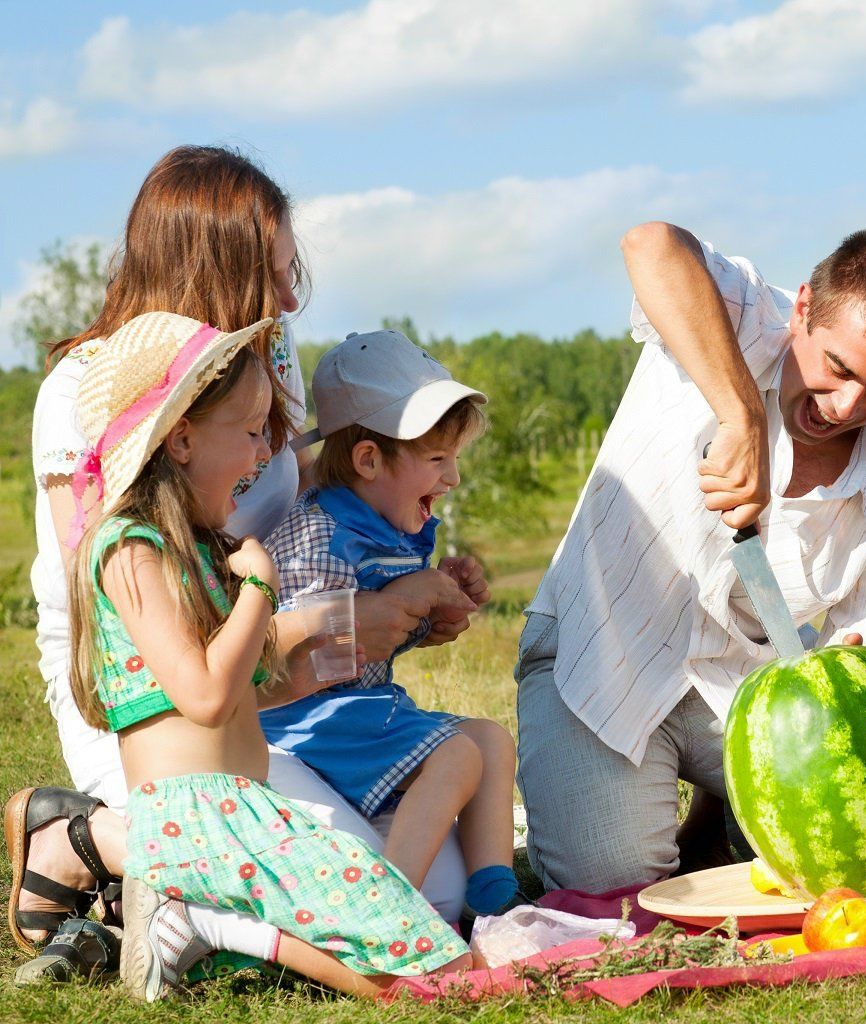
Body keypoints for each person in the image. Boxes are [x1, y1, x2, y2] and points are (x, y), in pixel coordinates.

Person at [8, 145, 469, 983]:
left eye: (295, 271)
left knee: (441, 886)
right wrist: (301, 628)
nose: (293, 298)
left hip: (263, 675)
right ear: (208, 270)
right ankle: (89, 840)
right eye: (274, 273)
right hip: (151, 701)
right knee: (366, 902)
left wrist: (384, 597)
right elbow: (125, 610)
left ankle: (133, 898)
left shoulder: (265, 363)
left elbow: (294, 516)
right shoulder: (87, 390)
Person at [517, 223, 866, 891]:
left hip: (747, 688)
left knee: (856, 854)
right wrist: (741, 415)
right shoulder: (746, 313)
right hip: (596, 654)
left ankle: (720, 810)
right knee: (615, 881)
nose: (847, 407)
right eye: (838, 368)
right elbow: (651, 244)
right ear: (802, 307)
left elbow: (859, 694)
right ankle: (715, 814)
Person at [68, 310, 475, 1000]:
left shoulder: (198, 551)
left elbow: (252, 689)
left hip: (244, 810)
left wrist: (361, 638)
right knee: (425, 979)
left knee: (434, 951)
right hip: (199, 821)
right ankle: (200, 919)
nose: (266, 455)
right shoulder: (131, 550)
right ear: (184, 438)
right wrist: (259, 587)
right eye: (254, 432)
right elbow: (203, 696)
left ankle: (204, 931)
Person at [261, 330, 521, 929]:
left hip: (358, 710)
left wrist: (435, 613)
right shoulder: (320, 535)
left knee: (489, 741)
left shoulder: (382, 521)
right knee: (456, 756)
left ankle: (495, 895)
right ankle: (392, 912)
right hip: (306, 719)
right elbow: (295, 649)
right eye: (436, 460)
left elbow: (383, 632)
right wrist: (402, 600)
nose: (452, 477)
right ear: (369, 459)